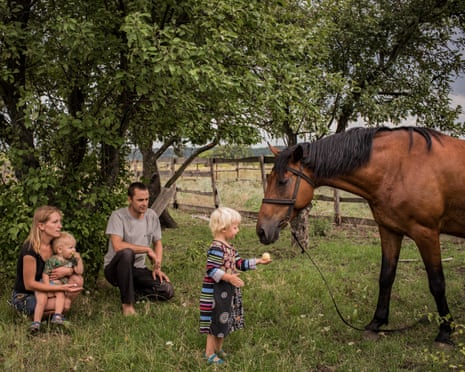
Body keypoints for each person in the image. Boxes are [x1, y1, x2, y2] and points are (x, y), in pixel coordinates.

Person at [199, 207, 272, 365]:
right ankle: (209, 353)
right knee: (214, 322)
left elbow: (239, 263)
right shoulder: (217, 248)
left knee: (223, 320)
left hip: (226, 292)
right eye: (235, 227)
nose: (237, 230)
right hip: (215, 293)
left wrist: (258, 261)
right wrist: (229, 277)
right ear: (223, 228)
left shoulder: (229, 248)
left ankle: (219, 349)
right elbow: (212, 270)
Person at [103, 182, 175, 316]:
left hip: (137, 269)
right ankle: (127, 305)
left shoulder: (151, 216)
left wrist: (157, 267)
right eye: (140, 200)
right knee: (126, 253)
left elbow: (157, 243)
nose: (144, 203)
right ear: (130, 199)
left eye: (147, 199)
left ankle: (134, 292)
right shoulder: (118, 216)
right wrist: (147, 250)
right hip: (114, 270)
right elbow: (118, 246)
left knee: (167, 290)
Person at [11, 206, 84, 334]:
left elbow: (73, 264)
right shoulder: (30, 250)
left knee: (77, 279)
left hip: (46, 289)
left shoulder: (55, 245)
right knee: (65, 304)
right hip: (25, 296)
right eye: (55, 222)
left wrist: (68, 271)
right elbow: (29, 285)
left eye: (60, 222)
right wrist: (61, 289)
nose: (60, 226)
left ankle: (52, 315)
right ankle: (34, 317)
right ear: (41, 226)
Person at [33, 231, 84, 328]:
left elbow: (79, 271)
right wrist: (47, 287)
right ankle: (36, 322)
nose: (74, 250)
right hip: (46, 285)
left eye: (74, 247)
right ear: (60, 249)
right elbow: (45, 274)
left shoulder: (71, 260)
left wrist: (79, 260)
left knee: (60, 295)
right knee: (41, 301)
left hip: (58, 286)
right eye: (71, 247)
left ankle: (57, 316)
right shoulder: (53, 260)